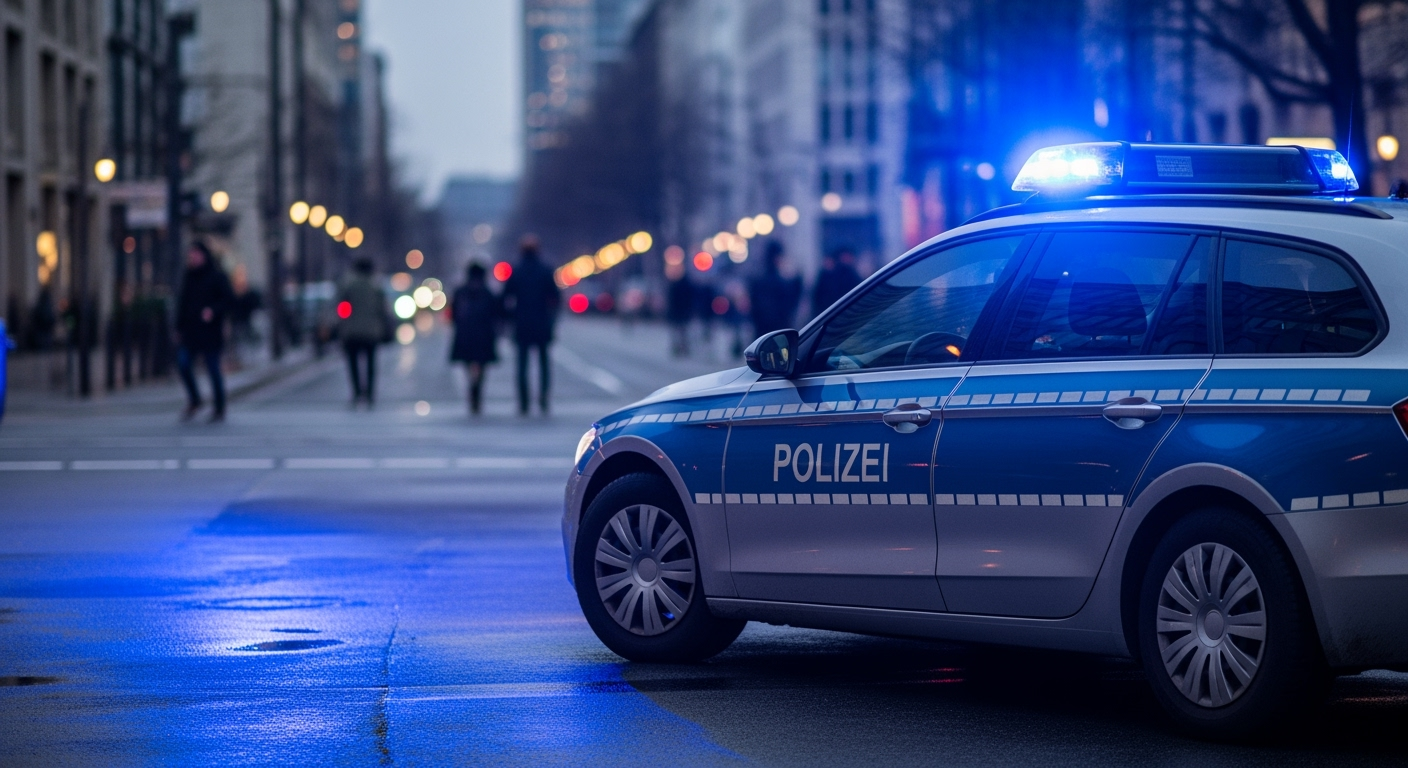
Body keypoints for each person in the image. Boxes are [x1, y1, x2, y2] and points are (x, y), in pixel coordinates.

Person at [175, 242, 233, 422]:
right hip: (191, 332)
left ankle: (219, 406)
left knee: (213, 368)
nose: (193, 259)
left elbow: (228, 300)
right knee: (183, 364)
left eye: (196, 255)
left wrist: (213, 312)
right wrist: (179, 327)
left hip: (210, 332)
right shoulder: (189, 276)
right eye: (191, 256)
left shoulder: (217, 277)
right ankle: (195, 399)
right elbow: (183, 303)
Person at [501, 235, 560, 415]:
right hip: (542, 323)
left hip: (522, 324)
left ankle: (524, 403)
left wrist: (511, 318)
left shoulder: (516, 271)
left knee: (522, 365)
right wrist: (551, 319)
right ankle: (543, 399)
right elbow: (556, 298)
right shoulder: (545, 270)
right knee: (544, 365)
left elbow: (505, 297)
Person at [336, 257, 389, 406]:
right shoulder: (376, 287)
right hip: (372, 331)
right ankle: (370, 393)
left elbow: (342, 308)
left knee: (353, 364)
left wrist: (343, 323)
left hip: (351, 330)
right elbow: (382, 310)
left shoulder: (348, 285)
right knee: (371, 363)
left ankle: (356, 392)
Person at [450, 262, 500, 415]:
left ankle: (472, 391)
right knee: (482, 367)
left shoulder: (460, 292)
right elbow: (496, 313)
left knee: (468, 366)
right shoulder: (487, 292)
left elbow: (453, 314)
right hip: (484, 335)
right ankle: (477, 392)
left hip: (465, 335)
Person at [748, 240, 803, 338]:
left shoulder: (757, 279)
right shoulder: (779, 282)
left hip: (762, 332)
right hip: (777, 331)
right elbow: (791, 302)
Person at [812, 248, 862, 317]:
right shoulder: (828, 275)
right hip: (828, 312)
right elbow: (818, 295)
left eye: (848, 257)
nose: (846, 259)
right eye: (844, 257)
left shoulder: (853, 276)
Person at [665, 262, 693, 357]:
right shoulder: (685, 283)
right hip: (681, 311)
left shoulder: (675, 283)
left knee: (680, 332)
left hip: (679, 311)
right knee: (681, 332)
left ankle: (680, 348)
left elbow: (671, 299)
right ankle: (681, 348)